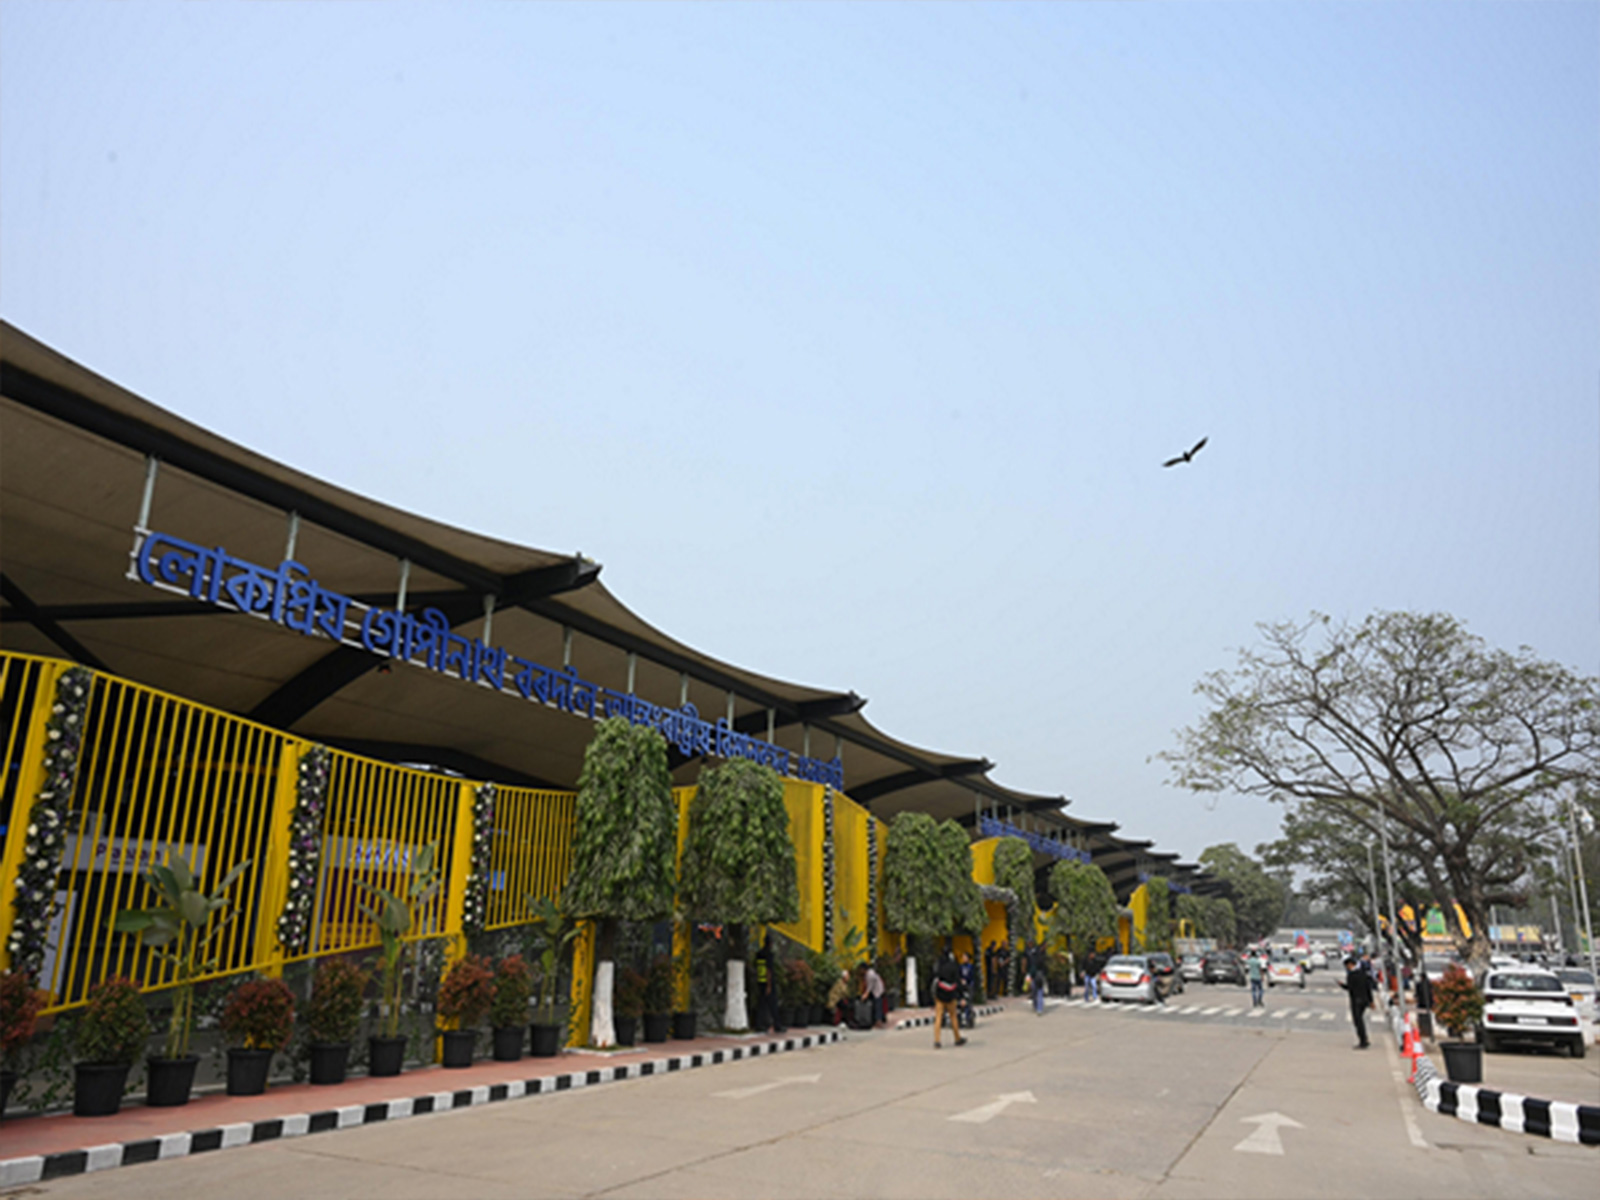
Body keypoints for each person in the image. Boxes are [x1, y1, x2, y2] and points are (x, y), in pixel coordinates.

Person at [1340, 954, 1376, 1048]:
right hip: (1364, 1000)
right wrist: (1371, 1001)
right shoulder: (1363, 973)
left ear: (1350, 964)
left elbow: (1349, 988)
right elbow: (1368, 988)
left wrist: (1341, 985)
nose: (1347, 968)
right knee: (1360, 1020)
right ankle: (1365, 1039)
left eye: (1347, 966)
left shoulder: (1351, 976)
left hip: (1356, 1001)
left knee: (1357, 1021)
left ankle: (1363, 1041)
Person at [932, 949, 965, 1047]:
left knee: (938, 1017)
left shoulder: (939, 965)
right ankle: (957, 1038)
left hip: (940, 994)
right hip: (950, 995)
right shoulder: (954, 966)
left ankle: (937, 1041)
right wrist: (961, 996)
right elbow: (958, 981)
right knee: (953, 1017)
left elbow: (935, 977)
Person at [753, 935, 784, 1034]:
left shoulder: (759, 954)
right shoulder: (768, 955)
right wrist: (769, 985)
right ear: (770, 943)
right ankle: (777, 1025)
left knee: (761, 1004)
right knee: (773, 1005)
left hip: (760, 981)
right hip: (768, 982)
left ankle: (759, 1025)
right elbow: (768, 970)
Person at [861, 960, 886, 1028]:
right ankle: (880, 1019)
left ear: (864, 969)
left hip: (877, 991)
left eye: (861, 969)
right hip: (876, 990)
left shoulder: (870, 974)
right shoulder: (868, 973)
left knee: (878, 1005)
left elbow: (870, 987)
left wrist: (865, 995)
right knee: (876, 1005)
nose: (861, 971)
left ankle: (879, 1022)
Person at [1026, 941, 1047, 1015]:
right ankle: (1037, 1006)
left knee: (1039, 992)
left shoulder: (1042, 955)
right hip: (1034, 975)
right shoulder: (1035, 955)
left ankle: (1039, 1008)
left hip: (1038, 976)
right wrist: (1028, 976)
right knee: (1035, 991)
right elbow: (1030, 966)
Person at [958, 952, 977, 1028]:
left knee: (968, 1003)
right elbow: (958, 975)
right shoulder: (960, 967)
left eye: (965, 957)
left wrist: (968, 983)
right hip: (961, 987)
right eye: (963, 957)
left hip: (969, 986)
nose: (964, 958)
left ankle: (969, 1018)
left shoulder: (971, 967)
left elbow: (973, 977)